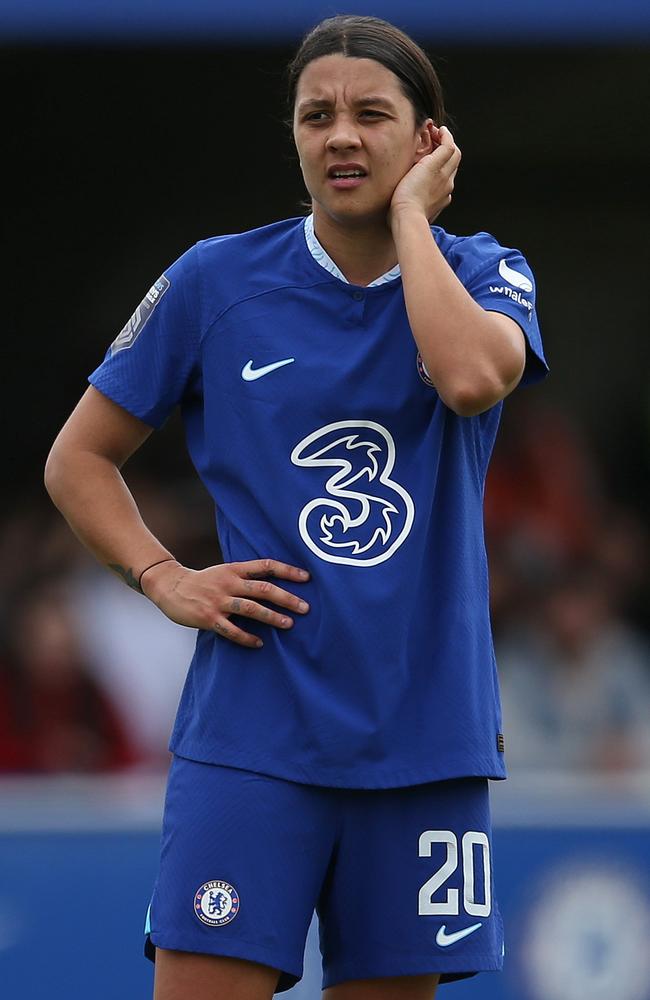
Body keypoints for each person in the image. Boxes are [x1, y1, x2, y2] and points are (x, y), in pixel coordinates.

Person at [44, 14, 547, 1000]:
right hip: (253, 734)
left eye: (371, 114)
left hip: (422, 739)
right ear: (292, 135)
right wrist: (162, 575)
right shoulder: (214, 281)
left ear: (427, 139)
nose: (340, 136)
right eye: (316, 115)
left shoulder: (487, 270)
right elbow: (79, 461)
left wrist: (411, 224)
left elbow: (467, 379)